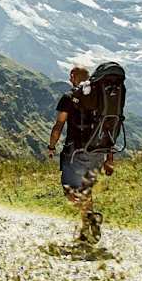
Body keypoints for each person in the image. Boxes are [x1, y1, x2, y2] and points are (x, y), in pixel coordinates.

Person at [46, 65, 115, 245]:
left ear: (72, 76)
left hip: (75, 152)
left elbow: (59, 126)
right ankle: (85, 231)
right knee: (86, 190)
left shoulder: (69, 98)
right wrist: (109, 158)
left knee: (69, 189)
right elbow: (108, 128)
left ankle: (91, 218)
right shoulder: (102, 100)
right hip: (98, 153)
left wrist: (51, 146)